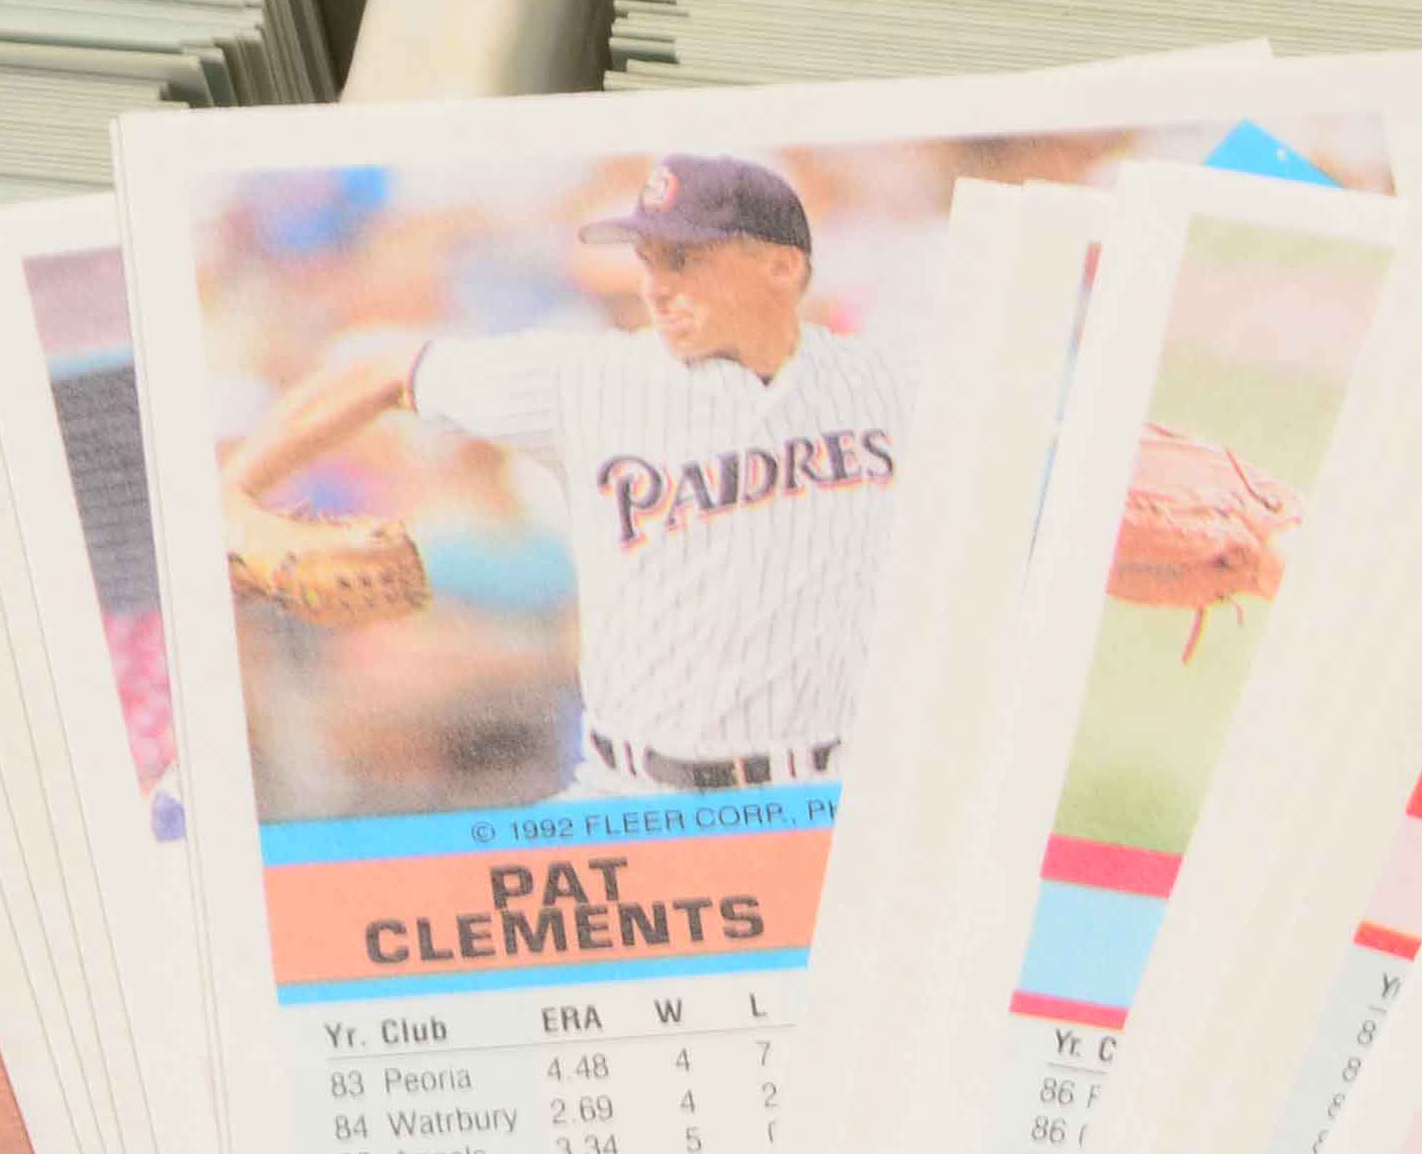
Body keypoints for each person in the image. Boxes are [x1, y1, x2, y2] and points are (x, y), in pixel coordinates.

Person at [218, 153, 908, 790]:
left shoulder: (885, 380)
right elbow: (374, 370)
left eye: (685, 260)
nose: (656, 287)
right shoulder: (590, 378)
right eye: (649, 262)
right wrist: (225, 499)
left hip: (845, 786)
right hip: (645, 790)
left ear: (782, 268)